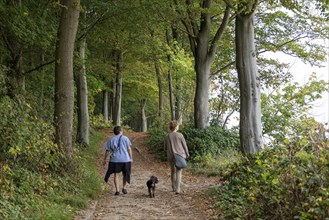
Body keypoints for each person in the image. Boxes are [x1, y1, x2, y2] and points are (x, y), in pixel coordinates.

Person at [103, 126, 133, 196]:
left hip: (115, 160)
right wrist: (131, 157)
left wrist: (104, 159)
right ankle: (124, 188)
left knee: (116, 174)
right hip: (125, 159)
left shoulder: (111, 139)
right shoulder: (125, 138)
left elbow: (107, 150)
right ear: (121, 131)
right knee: (125, 174)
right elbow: (129, 149)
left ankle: (117, 191)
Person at [164, 120, 189, 194]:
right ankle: (178, 189)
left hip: (171, 156)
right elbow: (184, 145)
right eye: (178, 125)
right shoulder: (180, 135)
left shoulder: (168, 136)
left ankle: (173, 187)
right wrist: (187, 153)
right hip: (179, 155)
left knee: (173, 171)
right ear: (176, 127)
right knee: (179, 171)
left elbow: (165, 147)